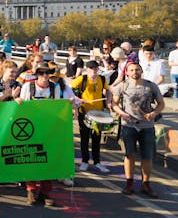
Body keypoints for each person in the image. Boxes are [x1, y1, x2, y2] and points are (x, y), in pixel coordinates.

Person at [111, 62, 164, 197]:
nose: (135, 72)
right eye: (132, 70)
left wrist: (154, 113)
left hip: (147, 126)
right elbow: (114, 104)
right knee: (130, 155)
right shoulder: (122, 86)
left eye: (137, 70)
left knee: (148, 156)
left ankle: (146, 184)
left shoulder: (151, 86)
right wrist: (122, 113)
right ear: (127, 72)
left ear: (141, 71)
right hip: (129, 126)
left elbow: (161, 104)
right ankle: (129, 183)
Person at [18, 64, 64, 206]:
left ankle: (45, 192)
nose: (44, 76)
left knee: (47, 159)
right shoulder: (28, 87)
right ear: (36, 74)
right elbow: (22, 105)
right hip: (30, 128)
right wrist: (18, 102)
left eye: (47, 73)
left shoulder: (54, 87)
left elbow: (57, 106)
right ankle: (31, 189)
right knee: (31, 158)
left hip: (47, 127)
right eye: (42, 73)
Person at [71, 61, 112, 173]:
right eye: (91, 68)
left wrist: (108, 102)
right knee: (84, 138)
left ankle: (97, 162)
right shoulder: (82, 79)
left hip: (98, 113)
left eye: (95, 68)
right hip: (84, 112)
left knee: (96, 139)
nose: (94, 70)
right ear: (87, 69)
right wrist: (78, 99)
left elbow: (108, 91)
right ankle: (85, 161)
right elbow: (69, 89)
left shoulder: (102, 79)